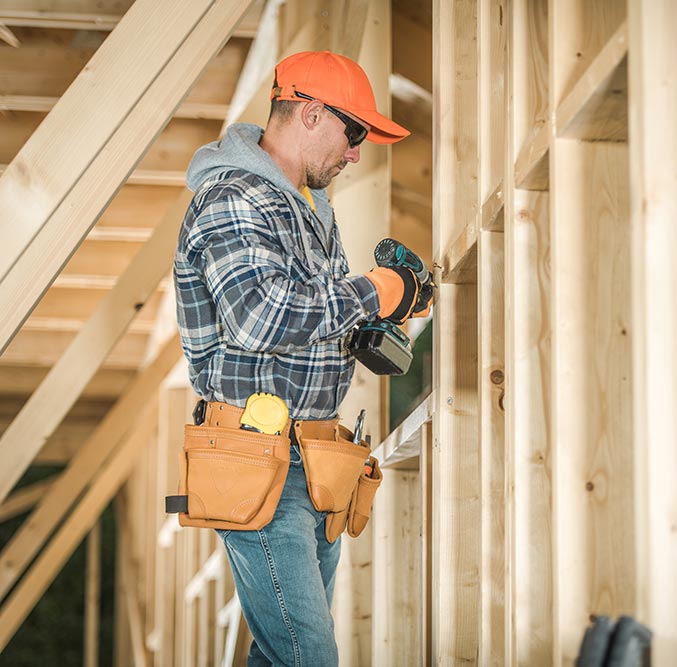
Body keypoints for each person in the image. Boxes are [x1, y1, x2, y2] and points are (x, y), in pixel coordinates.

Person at [174, 50, 424, 666]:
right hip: (258, 458)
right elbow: (260, 317)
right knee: (308, 656)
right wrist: (370, 289)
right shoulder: (233, 198)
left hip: (313, 463)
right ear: (311, 113)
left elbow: (312, 321)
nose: (358, 152)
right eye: (355, 132)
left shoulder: (310, 210)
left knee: (281, 656)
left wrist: (383, 314)